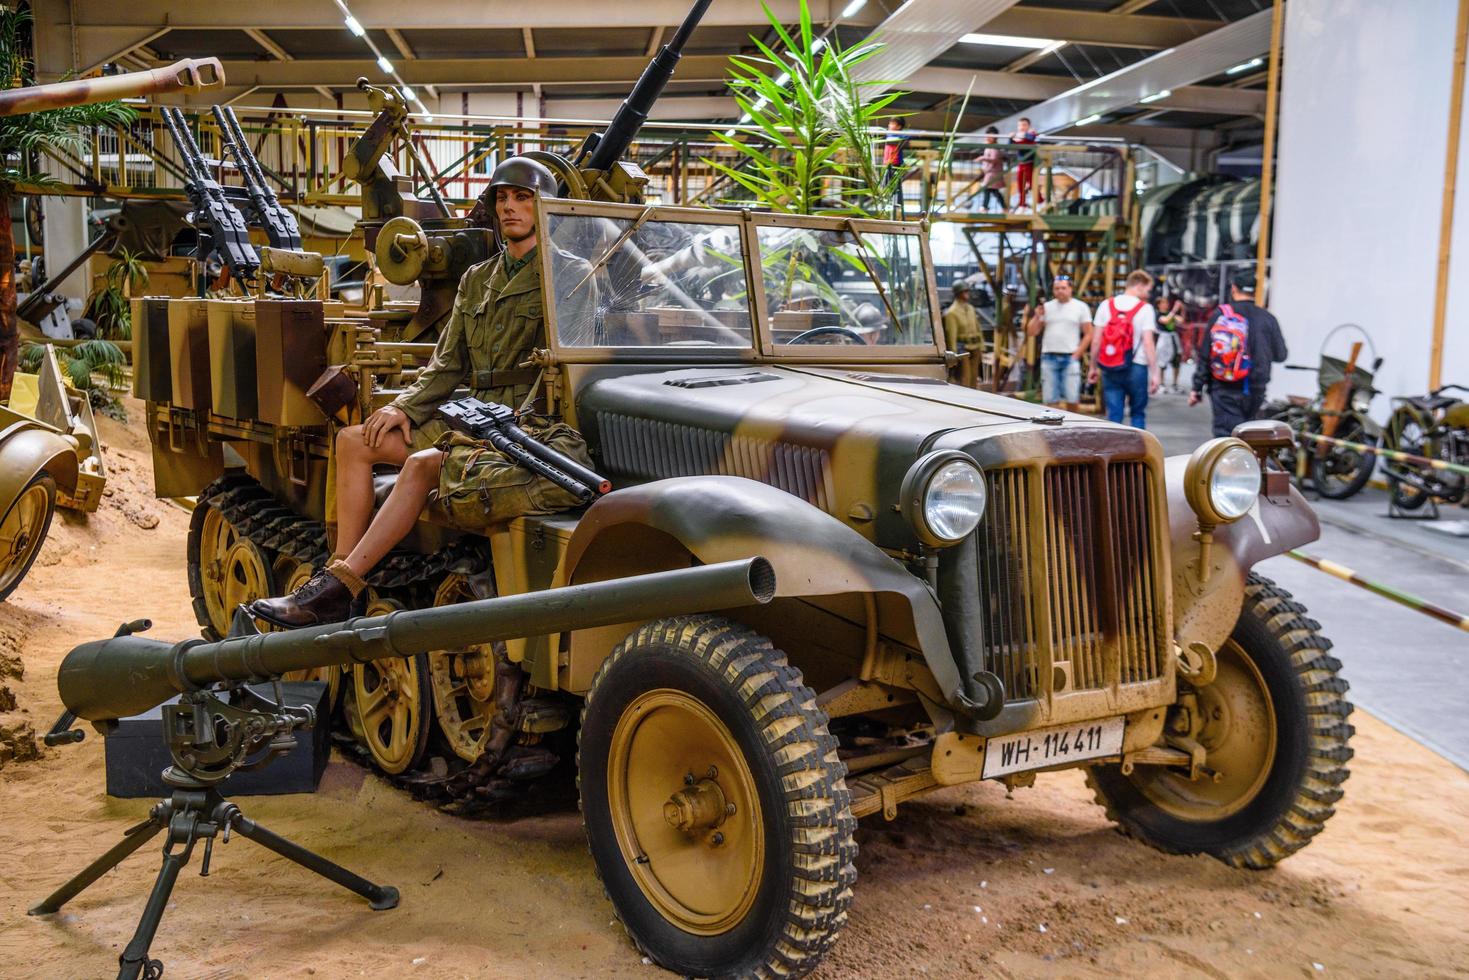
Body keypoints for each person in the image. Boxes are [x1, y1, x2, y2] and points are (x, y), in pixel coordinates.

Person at [250, 157, 597, 628]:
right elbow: (447, 363)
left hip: (523, 425)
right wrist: (403, 407)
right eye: (502, 198)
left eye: (523, 198)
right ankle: (336, 582)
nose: (510, 208)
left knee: (417, 466)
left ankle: (344, 584)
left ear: (546, 207)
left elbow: (562, 370)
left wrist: (506, 428)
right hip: (470, 412)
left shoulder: (569, 276)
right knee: (355, 441)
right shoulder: (479, 279)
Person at [1189, 270, 1289, 437]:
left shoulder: (1221, 315)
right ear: (1256, 291)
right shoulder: (1268, 318)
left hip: (1224, 387)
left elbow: (1206, 354)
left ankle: (1229, 463)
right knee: (1249, 436)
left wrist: (1197, 387)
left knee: (1226, 439)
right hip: (1256, 389)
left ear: (1234, 289)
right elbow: (1281, 355)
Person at [1088, 270, 1160, 428]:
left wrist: (1092, 367)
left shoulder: (1106, 305)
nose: (1148, 294)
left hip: (1111, 366)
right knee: (1138, 414)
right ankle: (1140, 452)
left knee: (1114, 416)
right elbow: (1148, 343)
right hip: (1137, 367)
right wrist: (1155, 373)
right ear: (1139, 285)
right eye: (1148, 290)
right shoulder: (1145, 309)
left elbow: (1096, 341)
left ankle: (1115, 452)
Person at [1025, 273, 1091, 412]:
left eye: (1063, 288)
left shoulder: (1080, 307)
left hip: (1070, 356)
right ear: (1053, 290)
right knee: (1050, 399)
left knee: (1072, 398)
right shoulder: (1047, 307)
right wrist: (1037, 316)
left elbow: (1089, 333)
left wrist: (1078, 353)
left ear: (1070, 289)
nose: (1060, 291)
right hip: (1049, 356)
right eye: (1057, 288)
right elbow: (1032, 332)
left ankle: (1073, 428)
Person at [942, 281, 982, 386]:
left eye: (967, 291)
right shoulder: (952, 312)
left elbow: (978, 328)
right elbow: (951, 337)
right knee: (965, 379)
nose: (967, 293)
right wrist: (954, 356)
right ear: (958, 293)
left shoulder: (971, 309)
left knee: (974, 378)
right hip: (963, 350)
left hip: (975, 348)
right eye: (964, 291)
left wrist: (981, 347)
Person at [1154, 294, 1185, 392]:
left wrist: (1182, 309)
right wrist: (1175, 309)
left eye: (1167, 302)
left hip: (1173, 339)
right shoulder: (1158, 314)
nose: (1166, 304)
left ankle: (1175, 384)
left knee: (1176, 361)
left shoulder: (1170, 313)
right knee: (1162, 362)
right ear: (1158, 304)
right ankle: (1161, 384)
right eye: (1163, 302)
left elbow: (1181, 320)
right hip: (1163, 340)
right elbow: (1166, 320)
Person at [1010, 118, 1042, 212]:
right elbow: (1012, 146)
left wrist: (1022, 135)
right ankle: (1022, 204)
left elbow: (1032, 138)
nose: (1021, 127)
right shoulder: (1018, 136)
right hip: (1021, 163)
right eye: (1020, 125)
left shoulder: (1030, 134)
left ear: (1028, 126)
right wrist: (1011, 138)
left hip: (1030, 163)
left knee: (1032, 184)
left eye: (1024, 125)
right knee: (1020, 185)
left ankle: (1040, 201)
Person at [978, 126, 1006, 212]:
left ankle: (984, 207)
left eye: (991, 136)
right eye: (988, 135)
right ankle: (1004, 208)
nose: (989, 137)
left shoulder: (994, 147)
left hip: (993, 173)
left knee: (988, 189)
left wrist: (982, 158)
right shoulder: (989, 146)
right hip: (990, 173)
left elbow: (994, 159)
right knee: (993, 191)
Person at [882, 117, 909, 208]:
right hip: (888, 163)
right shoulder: (888, 134)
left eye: (892, 124)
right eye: (890, 123)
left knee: (895, 185)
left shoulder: (899, 135)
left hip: (896, 163)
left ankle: (896, 202)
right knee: (886, 183)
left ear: (899, 127)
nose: (889, 125)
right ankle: (889, 200)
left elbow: (906, 137)